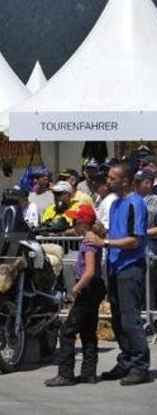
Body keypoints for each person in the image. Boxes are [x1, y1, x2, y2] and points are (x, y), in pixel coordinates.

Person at [84, 162, 152, 385]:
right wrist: (99, 231)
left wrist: (103, 241)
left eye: (113, 178)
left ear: (125, 180)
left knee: (130, 319)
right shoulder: (115, 204)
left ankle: (140, 366)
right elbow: (116, 232)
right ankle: (126, 361)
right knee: (118, 319)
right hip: (115, 266)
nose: (108, 181)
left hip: (130, 268)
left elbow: (135, 240)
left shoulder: (135, 204)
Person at [44, 203, 107, 387]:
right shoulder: (90, 237)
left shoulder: (88, 242)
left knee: (67, 331)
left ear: (83, 223)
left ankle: (66, 374)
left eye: (75, 222)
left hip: (88, 288)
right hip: (94, 288)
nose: (73, 225)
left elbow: (89, 271)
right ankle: (88, 374)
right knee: (87, 331)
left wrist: (76, 288)